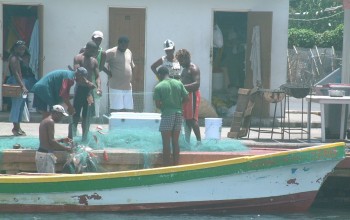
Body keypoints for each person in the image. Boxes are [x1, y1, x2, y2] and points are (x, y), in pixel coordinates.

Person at [153, 66, 188, 166]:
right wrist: (179, 106)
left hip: (167, 114)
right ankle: (176, 165)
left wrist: (166, 106)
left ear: (159, 75)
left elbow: (157, 104)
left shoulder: (159, 86)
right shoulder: (178, 83)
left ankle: (166, 167)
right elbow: (186, 98)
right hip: (178, 114)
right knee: (175, 142)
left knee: (166, 143)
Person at [69, 41, 102, 141]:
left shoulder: (94, 61)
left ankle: (84, 138)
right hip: (80, 89)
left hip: (89, 92)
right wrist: (87, 82)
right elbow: (78, 73)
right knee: (75, 114)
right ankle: (71, 138)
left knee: (86, 116)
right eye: (92, 51)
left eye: (95, 51)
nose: (93, 53)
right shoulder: (78, 58)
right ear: (87, 48)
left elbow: (97, 76)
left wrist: (99, 87)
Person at [175, 49, 202, 145]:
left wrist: (181, 87)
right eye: (179, 61)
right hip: (186, 96)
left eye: (181, 61)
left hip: (193, 95)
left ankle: (199, 142)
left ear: (187, 58)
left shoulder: (193, 68)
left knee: (192, 119)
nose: (180, 63)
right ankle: (187, 141)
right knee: (186, 119)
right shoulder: (184, 69)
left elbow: (197, 84)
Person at [36, 105, 72, 173]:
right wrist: (66, 148)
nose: (61, 118)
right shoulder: (50, 122)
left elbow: (47, 140)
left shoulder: (45, 120)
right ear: (56, 113)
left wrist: (62, 140)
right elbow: (51, 141)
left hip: (42, 153)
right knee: (49, 180)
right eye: (61, 115)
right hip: (45, 155)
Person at [104, 36, 135, 112]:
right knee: (116, 110)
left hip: (127, 86)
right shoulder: (111, 52)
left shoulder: (129, 51)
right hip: (116, 86)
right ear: (119, 43)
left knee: (128, 109)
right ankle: (115, 124)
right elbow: (98, 63)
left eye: (126, 45)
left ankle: (126, 124)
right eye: (123, 45)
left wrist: (129, 76)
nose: (125, 47)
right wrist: (108, 73)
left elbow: (132, 66)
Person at [6, 40, 28, 136]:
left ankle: (18, 127)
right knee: (16, 105)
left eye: (23, 48)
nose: (22, 50)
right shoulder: (14, 58)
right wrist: (22, 86)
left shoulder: (19, 58)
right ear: (15, 48)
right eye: (20, 48)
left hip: (20, 82)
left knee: (20, 106)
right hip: (16, 82)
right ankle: (15, 128)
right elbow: (16, 73)